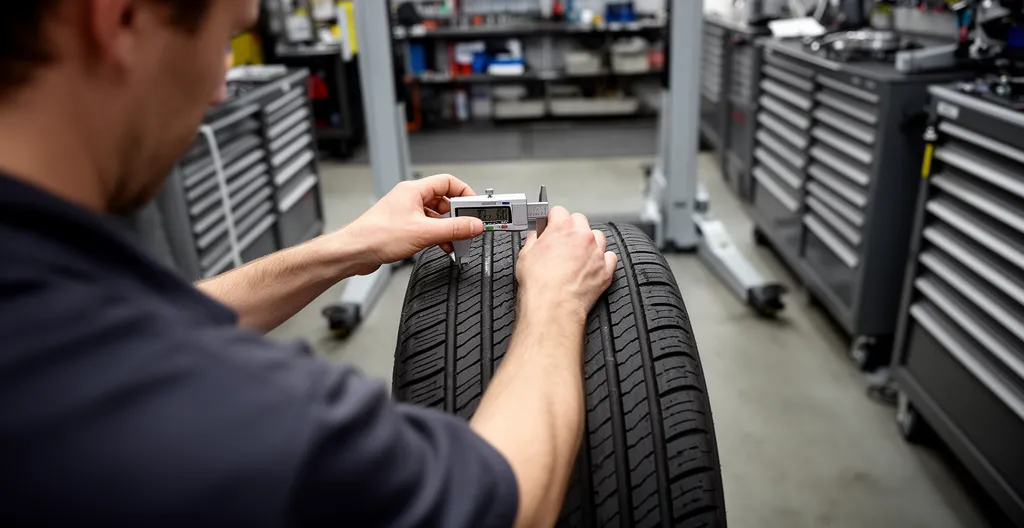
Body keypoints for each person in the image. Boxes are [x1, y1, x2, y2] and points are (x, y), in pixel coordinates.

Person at [0, 1, 618, 526]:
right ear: (121, 18)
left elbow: (143, 331)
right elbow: (506, 505)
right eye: (223, 40)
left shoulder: (48, 319)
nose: (218, 89)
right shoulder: (239, 418)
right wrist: (554, 306)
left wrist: (348, 246)